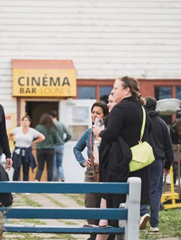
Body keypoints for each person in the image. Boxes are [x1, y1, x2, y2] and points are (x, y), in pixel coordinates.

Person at [93, 76, 151, 240]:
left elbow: (111, 134)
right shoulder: (141, 109)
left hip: (119, 164)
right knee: (129, 207)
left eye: (116, 88)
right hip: (136, 163)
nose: (113, 91)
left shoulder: (120, 109)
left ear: (126, 90)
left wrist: (99, 132)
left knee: (114, 205)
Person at [73, 102, 109, 240]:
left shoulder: (108, 131)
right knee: (90, 202)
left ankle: (104, 234)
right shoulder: (89, 132)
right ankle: (93, 234)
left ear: (105, 115)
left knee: (105, 204)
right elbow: (76, 148)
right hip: (91, 171)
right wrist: (83, 161)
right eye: (93, 112)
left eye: (98, 113)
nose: (94, 115)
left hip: (106, 171)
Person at [139, 97, 174, 232]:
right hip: (157, 160)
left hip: (142, 159)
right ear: (155, 107)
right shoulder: (162, 123)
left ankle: (143, 213)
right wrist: (168, 164)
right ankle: (154, 224)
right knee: (155, 190)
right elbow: (168, 146)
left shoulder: (141, 121)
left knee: (141, 187)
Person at [9, 115, 45, 181]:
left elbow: (42, 137)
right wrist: (13, 140)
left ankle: (25, 188)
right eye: (23, 120)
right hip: (18, 150)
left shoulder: (32, 131)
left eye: (26, 120)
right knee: (16, 169)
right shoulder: (17, 130)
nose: (24, 122)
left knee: (26, 169)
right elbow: (9, 134)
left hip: (27, 150)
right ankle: (14, 186)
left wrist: (33, 142)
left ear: (29, 122)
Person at [35, 113, 62, 182]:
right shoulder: (53, 128)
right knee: (49, 168)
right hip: (50, 150)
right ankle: (49, 183)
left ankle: (37, 181)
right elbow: (58, 140)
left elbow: (34, 138)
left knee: (40, 167)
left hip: (40, 150)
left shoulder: (38, 127)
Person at [50, 110, 72, 182]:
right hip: (60, 146)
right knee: (59, 164)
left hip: (52, 146)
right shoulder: (61, 125)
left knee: (53, 165)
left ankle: (54, 181)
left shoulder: (50, 125)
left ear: (50, 116)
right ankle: (62, 177)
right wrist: (63, 141)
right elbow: (69, 135)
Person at [170, 119, 181, 187]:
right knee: (175, 168)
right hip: (175, 153)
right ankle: (173, 183)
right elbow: (170, 142)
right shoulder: (173, 133)